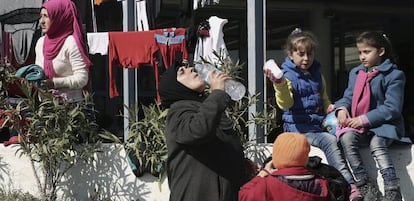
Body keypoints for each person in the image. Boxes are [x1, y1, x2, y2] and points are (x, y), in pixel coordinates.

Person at [263, 28, 362, 201]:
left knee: (347, 135)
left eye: (310, 53)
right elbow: (285, 104)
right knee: (329, 140)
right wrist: (278, 84)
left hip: (317, 126)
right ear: (290, 54)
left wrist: (331, 108)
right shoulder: (286, 76)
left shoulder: (317, 74)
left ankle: (360, 180)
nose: (306, 58)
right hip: (298, 131)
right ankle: (350, 185)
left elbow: (323, 99)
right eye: (301, 54)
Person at [158, 62, 249, 201]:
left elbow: (216, 148)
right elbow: (198, 131)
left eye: (189, 67)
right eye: (182, 72)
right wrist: (217, 94)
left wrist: (243, 163)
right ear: (174, 87)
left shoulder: (205, 107)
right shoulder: (177, 112)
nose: (191, 70)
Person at [334, 31, 406, 201]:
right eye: (359, 52)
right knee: (346, 139)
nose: (362, 57)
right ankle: (365, 186)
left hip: (384, 126)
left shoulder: (394, 75)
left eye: (367, 52)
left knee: (377, 143)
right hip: (359, 127)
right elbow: (348, 96)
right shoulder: (356, 73)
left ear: (380, 52)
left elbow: (392, 108)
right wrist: (342, 108)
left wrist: (363, 119)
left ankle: (392, 189)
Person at [239, 132, 331, 201]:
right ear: (305, 157)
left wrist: (262, 173)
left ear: (276, 157)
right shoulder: (321, 185)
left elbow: (244, 195)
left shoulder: (267, 185)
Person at [35, 0, 91, 102]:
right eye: (41, 16)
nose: (41, 21)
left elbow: (82, 78)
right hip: (45, 106)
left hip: (69, 109)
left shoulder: (71, 43)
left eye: (46, 16)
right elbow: (38, 71)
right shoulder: (41, 43)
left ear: (59, 17)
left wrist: (55, 83)